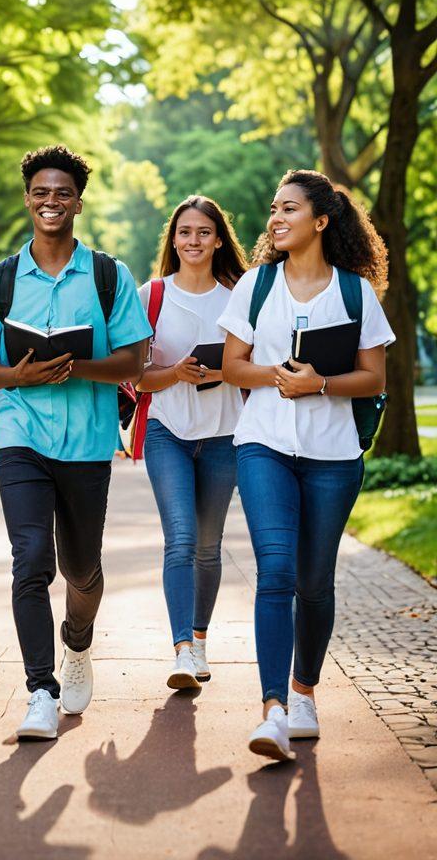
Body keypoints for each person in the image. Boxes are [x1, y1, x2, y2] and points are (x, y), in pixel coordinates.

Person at [0, 145, 151, 741]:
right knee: (31, 560)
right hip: (20, 432)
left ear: (78, 203)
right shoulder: (2, 278)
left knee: (82, 568)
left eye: (62, 193)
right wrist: (21, 376)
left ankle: (78, 641)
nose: (50, 202)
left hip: (89, 440)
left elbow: (135, 357)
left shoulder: (107, 274)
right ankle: (40, 690)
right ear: (27, 199)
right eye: (41, 192)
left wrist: (74, 367)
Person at [219, 169, 393, 763]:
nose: (275, 218)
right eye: (274, 208)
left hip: (334, 455)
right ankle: (271, 712)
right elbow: (231, 366)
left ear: (320, 220)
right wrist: (276, 376)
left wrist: (319, 384)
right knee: (276, 570)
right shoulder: (256, 285)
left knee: (315, 581)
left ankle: (304, 693)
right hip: (262, 443)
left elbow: (374, 377)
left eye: (288, 208)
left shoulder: (355, 293)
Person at [135, 196, 247, 691]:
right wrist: (173, 373)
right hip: (167, 431)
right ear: (173, 239)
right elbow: (136, 377)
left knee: (208, 545)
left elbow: (258, 367)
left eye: (204, 232)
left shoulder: (240, 296)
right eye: (185, 232)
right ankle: (182, 651)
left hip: (225, 433)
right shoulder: (151, 295)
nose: (194, 241)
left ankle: (200, 639)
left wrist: (225, 371)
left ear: (219, 239)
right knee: (180, 537)